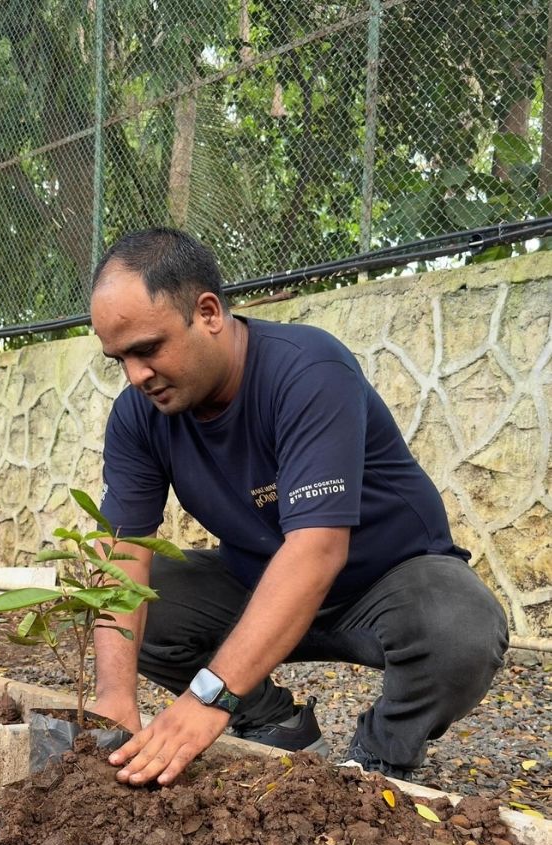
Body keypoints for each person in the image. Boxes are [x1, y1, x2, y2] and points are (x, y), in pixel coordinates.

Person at [88, 228, 509, 785]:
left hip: (385, 583)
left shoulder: (307, 371)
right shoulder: (139, 416)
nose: (136, 375)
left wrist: (205, 698)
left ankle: (380, 757)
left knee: (461, 628)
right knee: (151, 600)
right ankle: (271, 721)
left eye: (148, 348)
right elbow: (123, 550)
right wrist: (114, 698)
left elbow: (317, 550)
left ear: (208, 312)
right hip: (259, 583)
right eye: (119, 359)